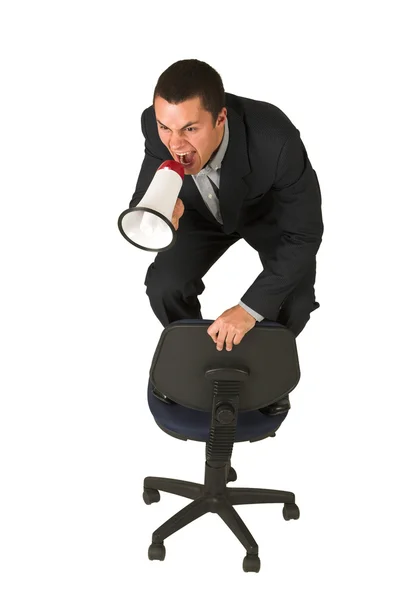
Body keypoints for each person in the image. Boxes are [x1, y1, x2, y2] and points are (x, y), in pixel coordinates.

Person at [130, 59, 323, 415]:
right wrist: (157, 207)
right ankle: (195, 361)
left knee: (293, 299)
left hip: (264, 211)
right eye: (165, 128)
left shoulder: (275, 139)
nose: (176, 143)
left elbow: (305, 234)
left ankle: (265, 372)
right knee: (164, 285)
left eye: (190, 129)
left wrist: (250, 310)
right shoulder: (155, 125)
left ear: (221, 118)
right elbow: (151, 177)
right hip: (197, 213)